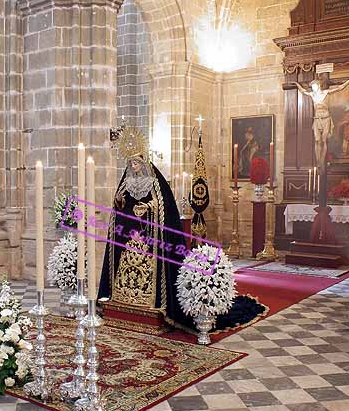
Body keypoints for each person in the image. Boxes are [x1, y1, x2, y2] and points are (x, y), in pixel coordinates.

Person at [98, 127, 266, 334]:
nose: (133, 166)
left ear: (143, 161)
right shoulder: (126, 180)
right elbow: (121, 204)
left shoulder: (155, 181)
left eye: (136, 162)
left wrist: (148, 208)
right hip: (129, 237)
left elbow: (161, 206)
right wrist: (120, 201)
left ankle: (156, 306)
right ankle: (123, 302)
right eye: (130, 163)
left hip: (151, 239)